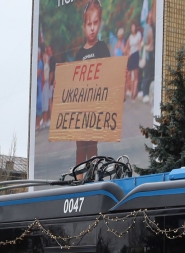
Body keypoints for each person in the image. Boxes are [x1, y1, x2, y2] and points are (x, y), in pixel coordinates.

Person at [72, 0, 110, 164]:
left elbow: (109, 71)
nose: (92, 27)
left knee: (92, 145)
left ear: (99, 23)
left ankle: (92, 177)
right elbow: (72, 80)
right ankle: (79, 181)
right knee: (80, 147)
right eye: (89, 24)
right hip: (81, 108)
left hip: (95, 107)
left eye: (95, 23)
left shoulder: (101, 47)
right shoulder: (79, 53)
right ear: (84, 26)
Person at [126, 23, 142, 101]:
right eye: (132, 27)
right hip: (131, 55)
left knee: (135, 75)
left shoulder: (138, 34)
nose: (133, 29)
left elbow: (139, 45)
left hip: (136, 54)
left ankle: (134, 93)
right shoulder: (130, 37)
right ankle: (131, 90)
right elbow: (127, 47)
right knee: (129, 74)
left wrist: (140, 55)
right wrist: (128, 53)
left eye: (134, 27)